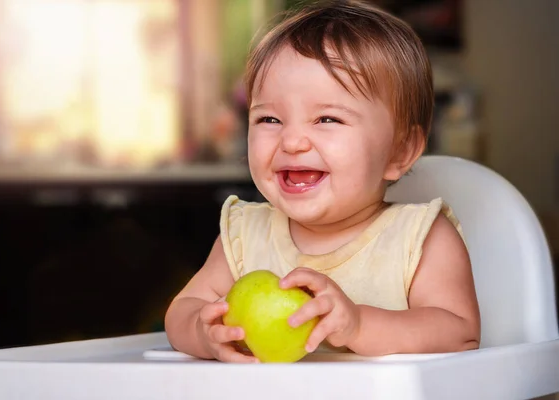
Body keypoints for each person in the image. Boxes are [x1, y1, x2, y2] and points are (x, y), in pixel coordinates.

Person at [165, 0, 480, 363]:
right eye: (269, 120)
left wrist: (360, 325)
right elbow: (182, 311)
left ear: (399, 152)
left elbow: (460, 332)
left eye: (327, 119)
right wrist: (203, 334)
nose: (292, 141)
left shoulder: (420, 238)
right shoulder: (243, 236)